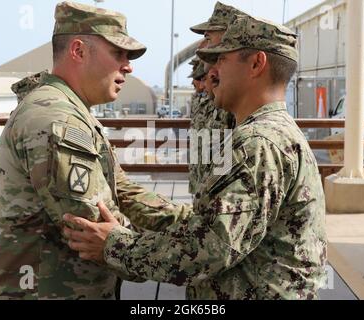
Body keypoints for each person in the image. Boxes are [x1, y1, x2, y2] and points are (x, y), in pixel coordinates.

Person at [64, 14, 328, 300]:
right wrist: (127, 194)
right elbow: (208, 224)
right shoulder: (270, 134)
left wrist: (114, 245)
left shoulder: (258, 143)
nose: (211, 72)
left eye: (221, 60)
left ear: (256, 64)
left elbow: (208, 250)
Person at [0, 1, 190, 300]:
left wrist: (187, 221)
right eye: (118, 53)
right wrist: (195, 252)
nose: (128, 66)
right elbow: (94, 228)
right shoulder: (57, 120)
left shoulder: (69, 109)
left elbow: (120, 189)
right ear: (78, 51)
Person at [187, 1, 241, 195]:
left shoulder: (234, 96)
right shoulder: (217, 95)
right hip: (205, 185)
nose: (203, 46)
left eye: (209, 38)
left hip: (221, 195)